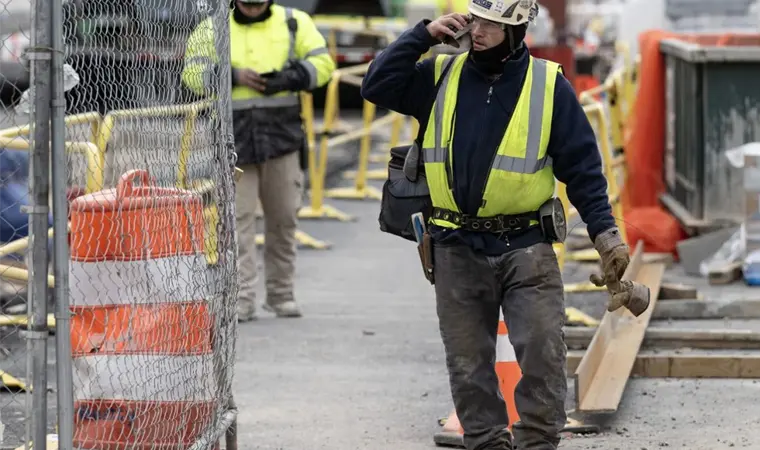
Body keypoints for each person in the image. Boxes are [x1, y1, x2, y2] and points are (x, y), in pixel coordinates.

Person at [361, 1, 630, 449]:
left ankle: (538, 441)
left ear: (516, 30)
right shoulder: (440, 75)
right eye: (476, 20)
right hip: (455, 245)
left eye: (492, 24)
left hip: (527, 247)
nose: (479, 31)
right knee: (468, 366)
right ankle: (486, 441)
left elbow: (583, 169)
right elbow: (377, 85)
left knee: (542, 354)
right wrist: (424, 35)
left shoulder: (548, 87)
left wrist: (606, 235)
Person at [181, 0, 334, 320]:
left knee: (284, 218)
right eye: (246, 3)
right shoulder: (212, 28)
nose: (252, 8)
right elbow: (192, 75)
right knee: (238, 222)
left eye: (258, 3)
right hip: (233, 140)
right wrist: (230, 76)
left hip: (281, 138)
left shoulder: (294, 23)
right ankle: (242, 298)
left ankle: (281, 294)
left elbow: (323, 65)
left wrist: (289, 78)